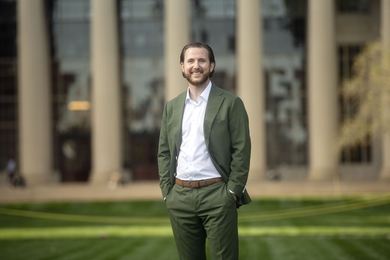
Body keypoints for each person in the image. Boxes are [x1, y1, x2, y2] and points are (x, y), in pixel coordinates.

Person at [157, 42, 251, 260]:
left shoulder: (230, 103)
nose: (196, 65)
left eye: (201, 60)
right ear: (182, 67)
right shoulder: (171, 107)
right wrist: (167, 192)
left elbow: (242, 149)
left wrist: (232, 191)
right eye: (190, 61)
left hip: (218, 195)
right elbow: (164, 152)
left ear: (211, 66)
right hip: (179, 197)